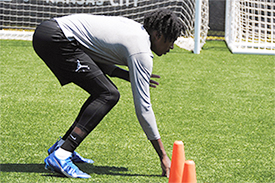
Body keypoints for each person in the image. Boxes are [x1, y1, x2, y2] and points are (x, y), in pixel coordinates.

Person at [32, 9, 183, 179]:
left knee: (103, 92)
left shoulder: (136, 30)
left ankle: (61, 147)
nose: (171, 47)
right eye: (171, 40)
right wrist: (163, 155)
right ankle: (61, 155)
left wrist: (127, 75)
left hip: (50, 32)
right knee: (108, 94)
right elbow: (143, 109)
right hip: (57, 38)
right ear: (158, 35)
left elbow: (95, 55)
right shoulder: (142, 51)